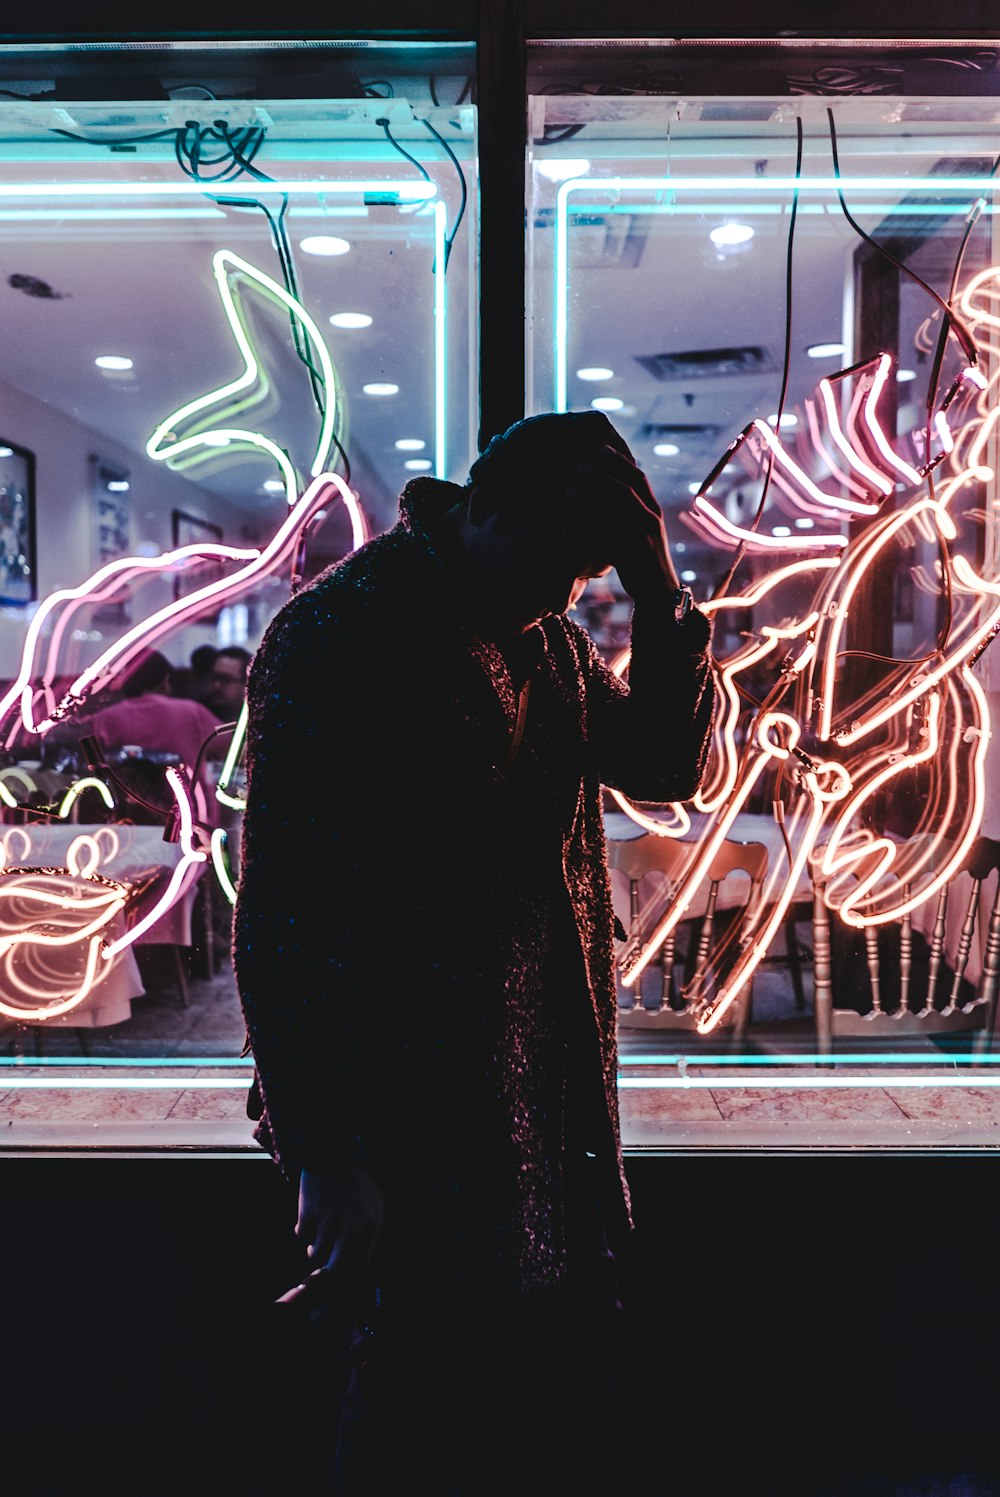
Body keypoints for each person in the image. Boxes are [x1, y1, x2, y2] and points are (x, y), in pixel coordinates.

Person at [233, 411, 716, 1494]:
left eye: (577, 576)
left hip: (544, 1090)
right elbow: (283, 909)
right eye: (548, 562)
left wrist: (657, 594)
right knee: (415, 1405)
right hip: (406, 1106)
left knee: (546, 1401)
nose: (556, 593)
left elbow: (661, 765)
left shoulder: (541, 631)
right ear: (482, 507)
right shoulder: (338, 634)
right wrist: (324, 1143)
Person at [83, 647, 222, 827]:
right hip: (187, 819)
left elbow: (94, 766)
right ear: (165, 681)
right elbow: (230, 748)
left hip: (123, 820)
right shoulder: (191, 712)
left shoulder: (105, 718)